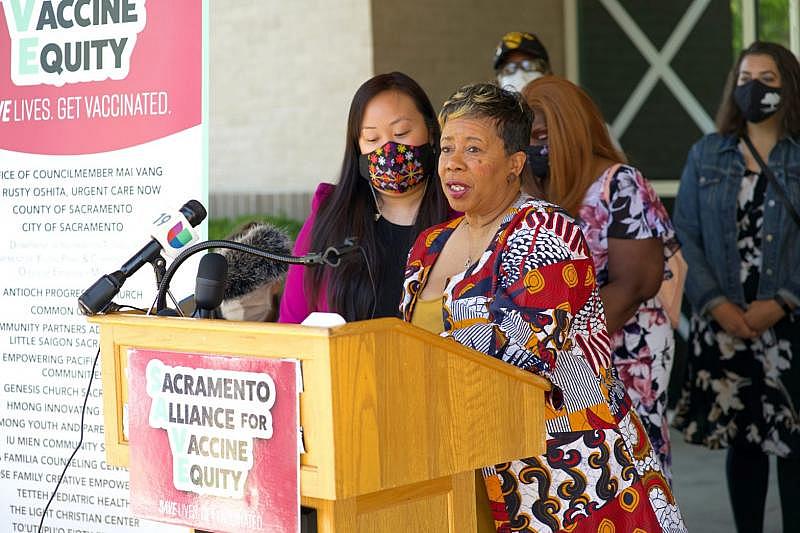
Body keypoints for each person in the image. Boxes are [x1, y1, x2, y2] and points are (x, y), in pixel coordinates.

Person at [401, 82, 685, 533]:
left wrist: (405, 357)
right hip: (466, 471)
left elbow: (520, 352)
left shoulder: (547, 233)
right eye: (448, 147)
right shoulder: (428, 245)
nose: (453, 161)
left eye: (473, 149)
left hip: (574, 478)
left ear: (515, 164)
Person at [521, 76, 681, 483]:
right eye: (528, 139)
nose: (536, 148)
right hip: (564, 361)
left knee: (633, 475)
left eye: (543, 135)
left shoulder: (620, 184)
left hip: (625, 353)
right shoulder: (545, 192)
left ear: (571, 127)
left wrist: (564, 350)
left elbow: (634, 286)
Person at [672, 41, 800, 533]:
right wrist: (715, 304)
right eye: (747, 77)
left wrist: (782, 301)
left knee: (792, 444)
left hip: (788, 325)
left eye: (768, 79)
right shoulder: (707, 153)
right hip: (724, 322)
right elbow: (685, 235)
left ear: (788, 86)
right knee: (744, 444)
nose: (756, 88)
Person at [278, 72, 451, 323]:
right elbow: (292, 323)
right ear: (357, 146)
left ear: (432, 132)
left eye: (401, 133)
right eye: (372, 138)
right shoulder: (330, 218)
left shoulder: (461, 217)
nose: (388, 150)